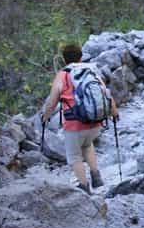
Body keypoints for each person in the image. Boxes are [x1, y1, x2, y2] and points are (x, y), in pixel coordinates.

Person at [42, 44, 118, 194]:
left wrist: (45, 117)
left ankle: (84, 187)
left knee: (74, 156)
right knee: (87, 144)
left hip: (74, 125)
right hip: (95, 122)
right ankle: (96, 175)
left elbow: (52, 102)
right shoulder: (90, 71)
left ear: (64, 60)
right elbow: (106, 93)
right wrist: (114, 111)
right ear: (81, 57)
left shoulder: (63, 75)